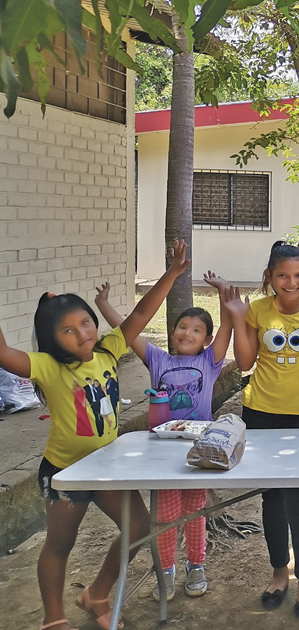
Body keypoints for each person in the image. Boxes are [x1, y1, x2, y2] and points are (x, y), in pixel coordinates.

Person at [0, 240, 188, 630]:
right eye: (68, 331)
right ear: (53, 341)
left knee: (139, 530)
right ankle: (54, 618)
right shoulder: (47, 367)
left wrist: (170, 274)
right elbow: (5, 354)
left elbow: (139, 313)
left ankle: (97, 594)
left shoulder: (108, 350)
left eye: (85, 322)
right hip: (67, 472)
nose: (82, 333)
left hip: (108, 466)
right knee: (59, 543)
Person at [94, 272, 233, 602]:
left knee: (195, 513)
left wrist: (225, 299)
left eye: (197, 330)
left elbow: (226, 332)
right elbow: (128, 332)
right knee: (166, 515)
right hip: (161, 451)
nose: (188, 333)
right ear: (172, 332)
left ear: (206, 338)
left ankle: (196, 565)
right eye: (183, 327)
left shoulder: (209, 361)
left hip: (199, 452)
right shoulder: (158, 359)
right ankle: (165, 569)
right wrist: (103, 305)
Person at [223, 241, 299, 618]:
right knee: (271, 498)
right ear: (269, 278)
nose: (291, 281)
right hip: (260, 412)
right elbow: (246, 360)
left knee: (298, 498)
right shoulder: (257, 310)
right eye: (282, 274)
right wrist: (236, 315)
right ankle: (279, 571)